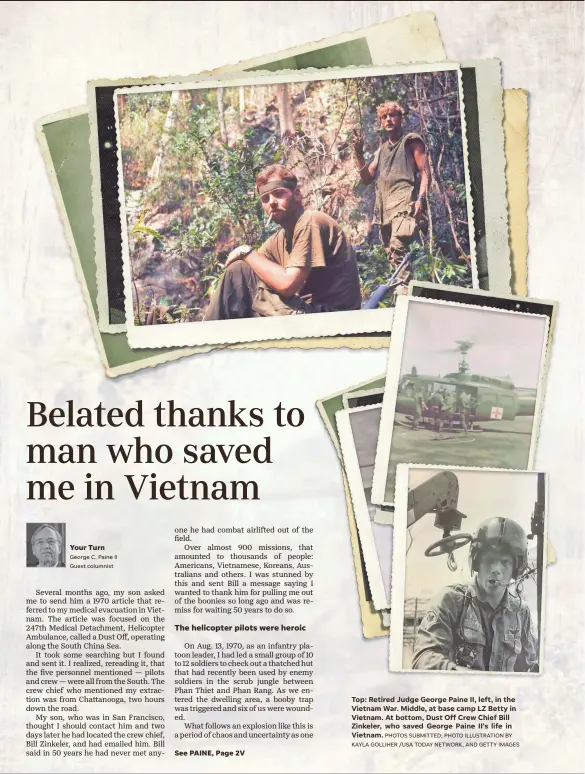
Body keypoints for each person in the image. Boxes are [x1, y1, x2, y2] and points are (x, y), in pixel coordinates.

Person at [203, 165, 362, 320]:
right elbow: (254, 269)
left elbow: (288, 285)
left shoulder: (311, 220)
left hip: (333, 318)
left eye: (279, 194)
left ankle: (205, 339)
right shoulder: (280, 239)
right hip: (309, 314)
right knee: (241, 270)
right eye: (265, 198)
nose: (272, 202)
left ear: (297, 195)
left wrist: (245, 252)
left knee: (238, 271)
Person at [411, 517, 539, 672]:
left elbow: (528, 666)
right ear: (477, 562)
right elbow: (424, 658)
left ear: (516, 568)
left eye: (505, 563)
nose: (496, 569)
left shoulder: (520, 613)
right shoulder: (451, 601)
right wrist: (461, 675)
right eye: (490, 560)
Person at [351, 100, 430, 291]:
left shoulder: (411, 141)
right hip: (385, 210)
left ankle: (404, 293)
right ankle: (406, 290)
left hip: (404, 203)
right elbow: (367, 178)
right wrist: (359, 154)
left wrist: (420, 199)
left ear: (400, 118)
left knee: (397, 245)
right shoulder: (382, 150)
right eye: (384, 117)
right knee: (393, 255)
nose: (388, 119)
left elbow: (426, 172)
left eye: (393, 115)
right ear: (380, 122)